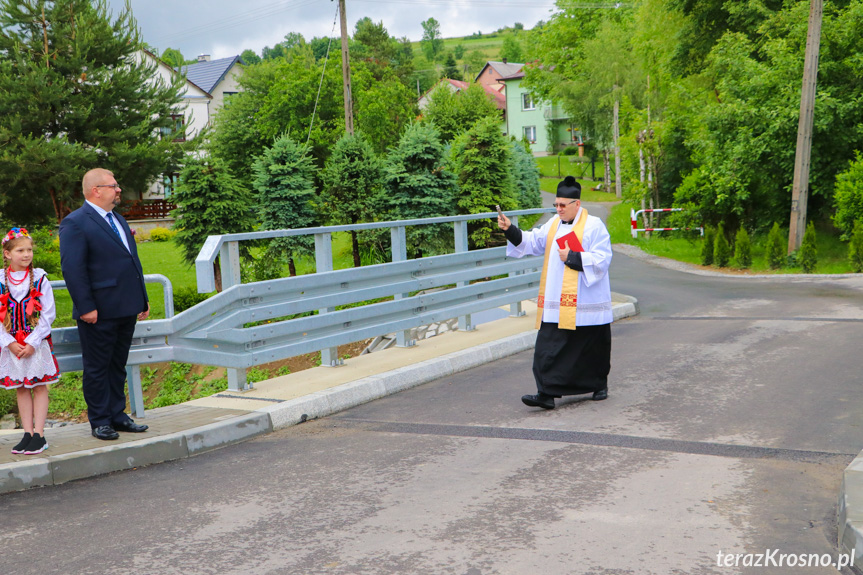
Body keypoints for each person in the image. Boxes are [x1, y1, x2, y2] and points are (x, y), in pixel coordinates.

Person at [498, 176, 613, 410]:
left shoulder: (594, 225)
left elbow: (603, 259)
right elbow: (532, 242)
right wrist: (510, 229)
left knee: (590, 348)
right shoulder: (553, 224)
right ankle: (546, 393)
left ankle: (598, 385)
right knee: (546, 348)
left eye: (563, 205)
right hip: (556, 300)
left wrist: (572, 257)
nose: (558, 209)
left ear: (577, 204)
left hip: (586, 300)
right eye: (556, 205)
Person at [59, 169, 150, 440]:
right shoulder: (75, 223)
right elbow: (73, 269)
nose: (119, 189)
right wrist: (86, 307)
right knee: (98, 367)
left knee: (117, 365)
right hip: (98, 310)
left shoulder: (118, 219)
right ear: (96, 190)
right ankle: (100, 420)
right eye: (114, 186)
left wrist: (141, 298)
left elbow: (132, 261)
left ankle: (117, 415)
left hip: (126, 305)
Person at [1, 228, 59, 454]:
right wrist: (8, 342)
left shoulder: (40, 279)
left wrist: (33, 342)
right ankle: (27, 432)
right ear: (7, 254)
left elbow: (48, 315)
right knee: (22, 388)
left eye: (29, 250)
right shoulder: (0, 280)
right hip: (12, 344)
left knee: (38, 385)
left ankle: (40, 434)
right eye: (20, 250)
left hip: (35, 342)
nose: (26, 254)